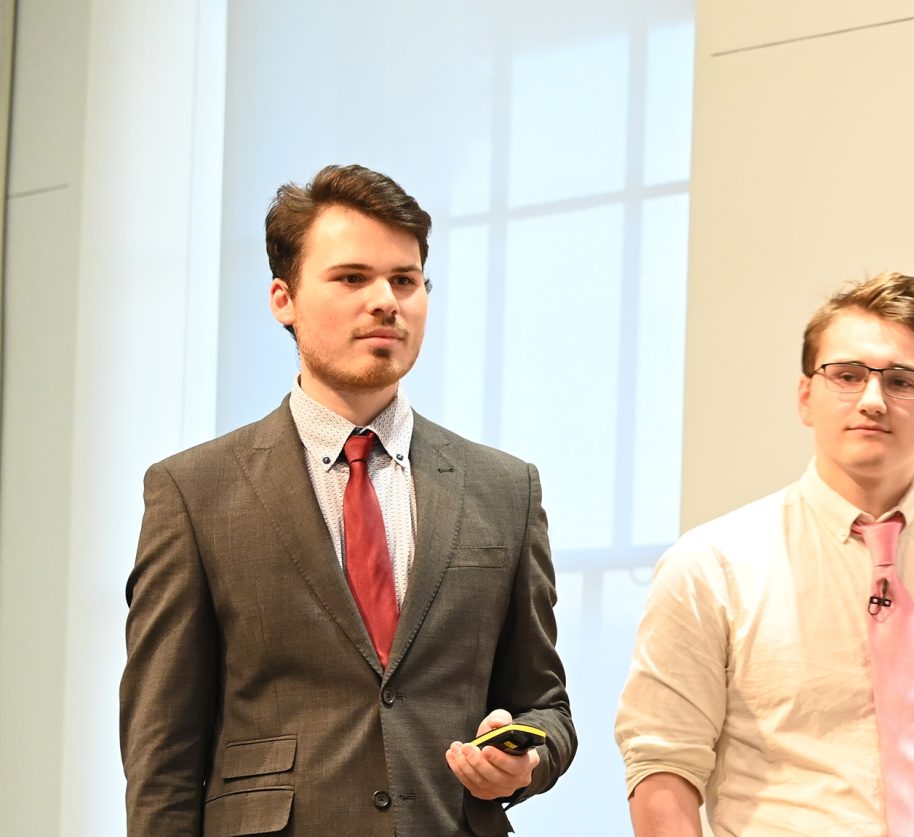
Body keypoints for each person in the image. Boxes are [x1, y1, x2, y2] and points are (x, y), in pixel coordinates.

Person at [120, 163, 575, 835]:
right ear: (283, 298)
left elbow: (547, 706)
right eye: (352, 278)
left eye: (406, 279)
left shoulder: (505, 488)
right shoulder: (194, 492)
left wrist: (528, 755)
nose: (386, 300)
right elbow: (162, 754)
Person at [617, 272, 914, 837]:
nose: (872, 401)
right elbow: (663, 761)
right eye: (846, 376)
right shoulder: (711, 563)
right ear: (805, 397)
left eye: (902, 381)